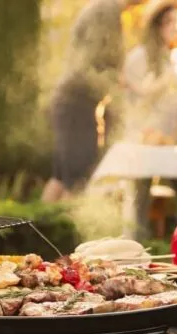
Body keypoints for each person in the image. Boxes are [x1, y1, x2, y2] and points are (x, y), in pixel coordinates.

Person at [42, 0, 146, 202]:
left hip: (71, 104)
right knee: (77, 182)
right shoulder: (106, 11)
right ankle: (65, 231)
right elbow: (94, 63)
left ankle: (41, 230)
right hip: (77, 106)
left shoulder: (104, 9)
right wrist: (125, 88)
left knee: (61, 178)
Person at [122, 0, 177, 238]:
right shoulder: (139, 56)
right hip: (146, 140)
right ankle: (135, 252)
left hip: (175, 141)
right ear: (156, 26)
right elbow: (133, 101)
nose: (176, 28)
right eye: (170, 23)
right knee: (140, 199)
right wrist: (159, 84)